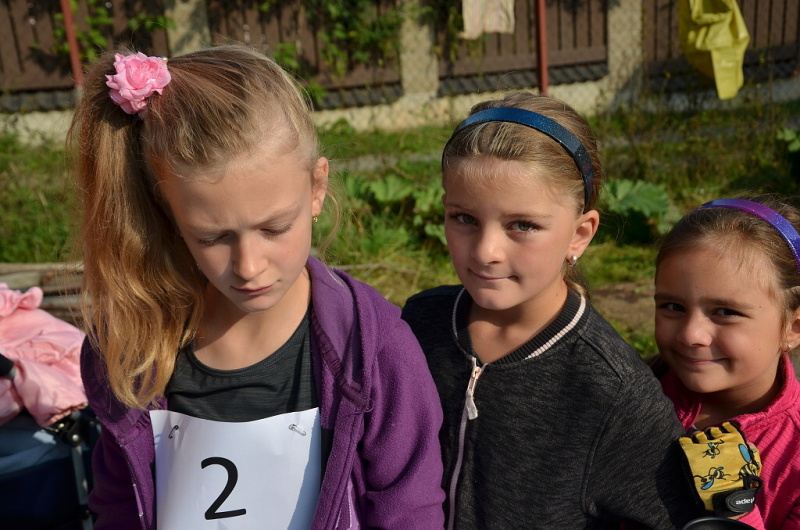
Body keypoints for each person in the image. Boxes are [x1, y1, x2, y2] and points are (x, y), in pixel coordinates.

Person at [71, 45, 445, 530]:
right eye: (212, 237)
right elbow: (119, 501)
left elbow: (410, 511)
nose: (248, 267)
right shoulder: (132, 347)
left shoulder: (375, 352)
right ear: (169, 214)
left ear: (317, 188)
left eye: (274, 228)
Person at [401, 91, 703, 529]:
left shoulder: (611, 391)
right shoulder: (416, 324)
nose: (486, 251)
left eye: (522, 225)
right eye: (464, 218)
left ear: (580, 234)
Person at [653, 195, 800, 529]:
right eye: (673, 307)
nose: (691, 334)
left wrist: (733, 506)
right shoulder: (632, 392)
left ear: (792, 328)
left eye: (725, 312)